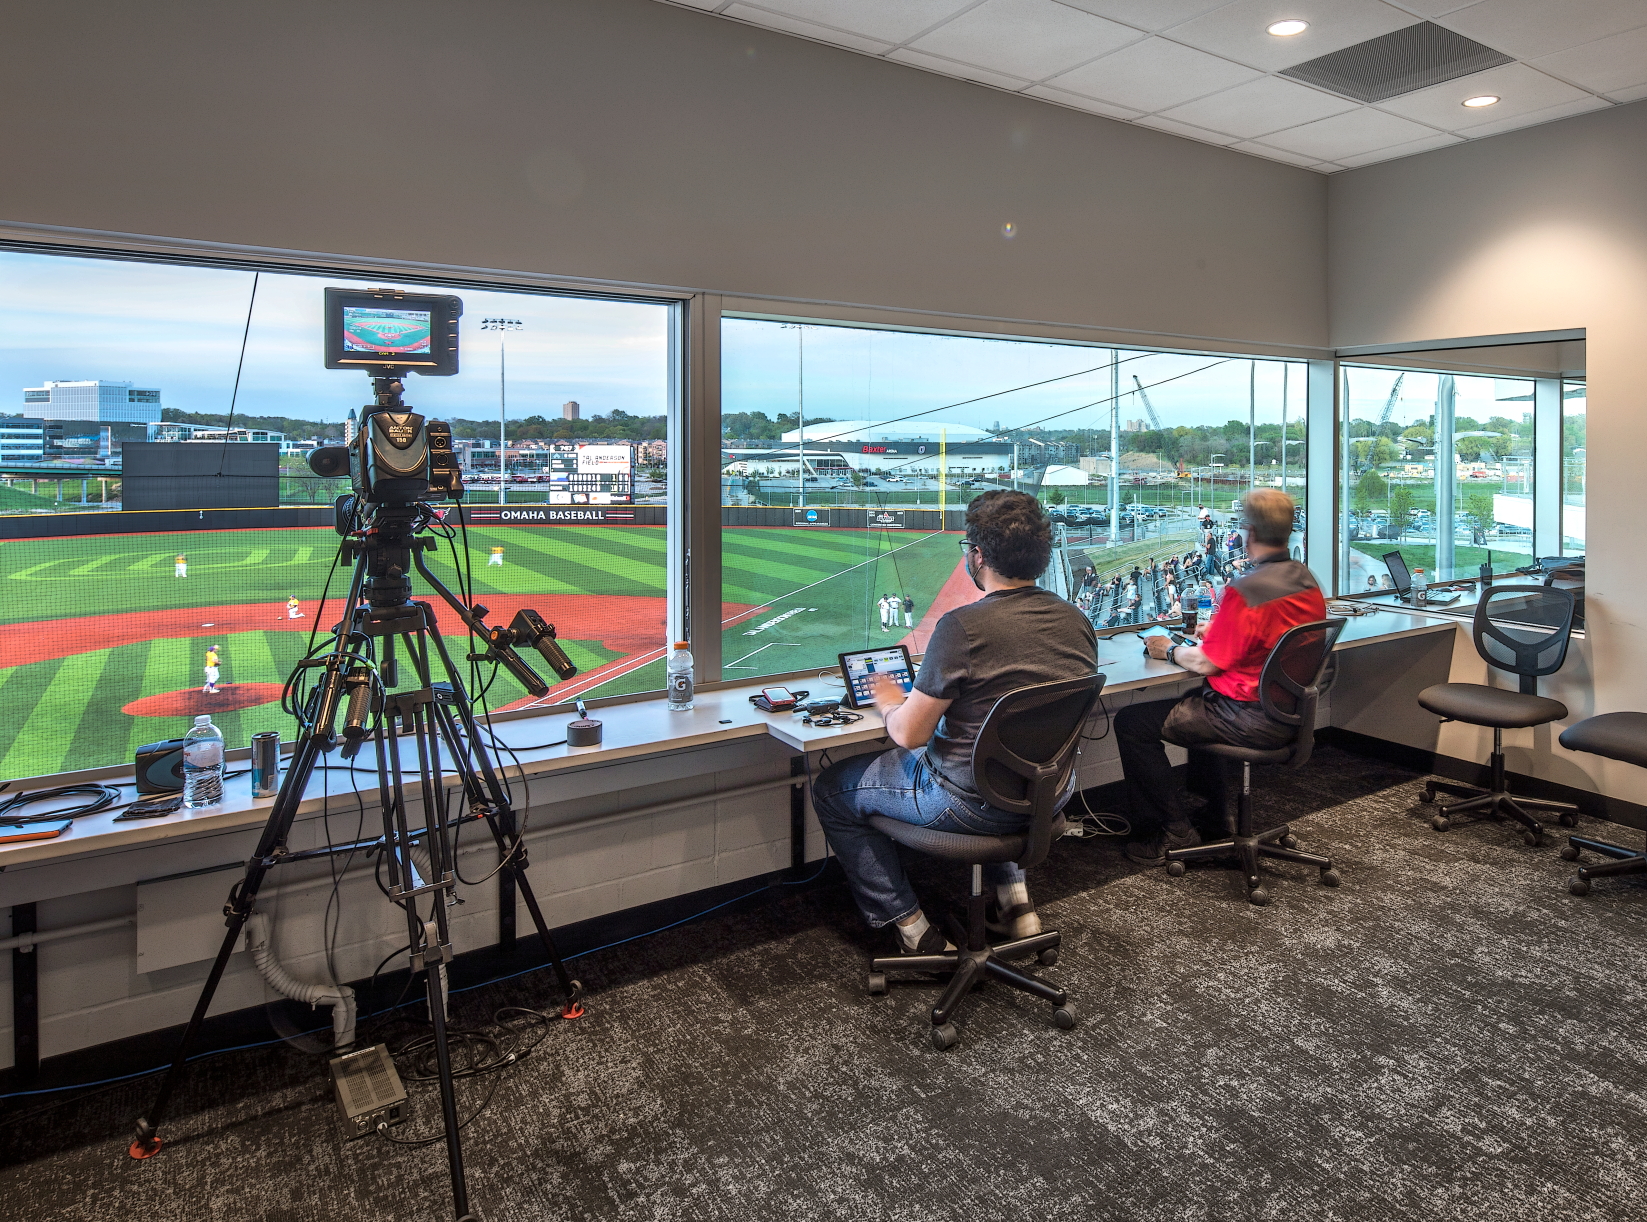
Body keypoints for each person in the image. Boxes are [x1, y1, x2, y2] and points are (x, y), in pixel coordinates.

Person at [812, 491, 1097, 954]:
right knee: (1004, 761)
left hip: (967, 805)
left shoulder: (962, 627)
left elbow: (908, 734)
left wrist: (887, 701)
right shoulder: (1076, 620)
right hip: (1049, 793)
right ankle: (1015, 905)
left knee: (831, 789)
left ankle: (913, 931)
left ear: (979, 555)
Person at [1103, 489, 1326, 866]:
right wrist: (1221, 630)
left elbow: (1207, 664)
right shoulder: (1305, 580)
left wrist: (1167, 650)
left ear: (1248, 532)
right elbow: (1267, 639)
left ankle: (1174, 830)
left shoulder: (1247, 589)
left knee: (1132, 722)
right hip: (1285, 712)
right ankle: (1214, 814)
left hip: (1247, 717)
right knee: (1194, 699)